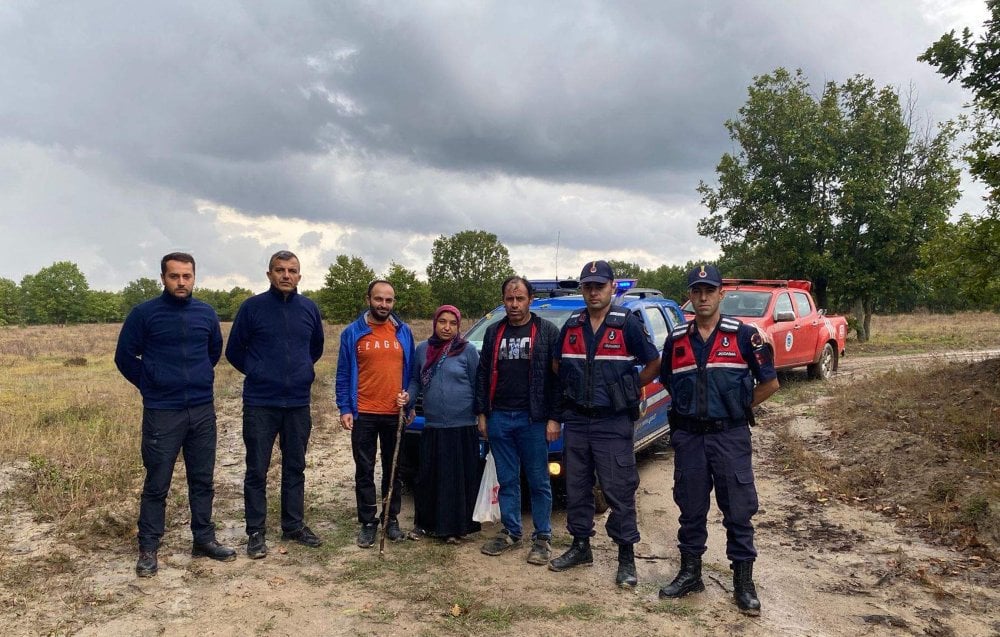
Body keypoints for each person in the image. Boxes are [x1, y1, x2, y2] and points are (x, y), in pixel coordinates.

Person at [657, 264, 779, 616]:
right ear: (690, 296)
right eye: (697, 291)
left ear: (721, 294)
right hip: (690, 438)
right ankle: (690, 574)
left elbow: (770, 383)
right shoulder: (677, 340)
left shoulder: (744, 336)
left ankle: (743, 582)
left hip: (730, 436)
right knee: (690, 508)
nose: (703, 297)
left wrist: (737, 407)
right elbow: (670, 381)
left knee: (738, 510)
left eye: (709, 290)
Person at [115, 252, 236, 577]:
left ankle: (204, 539)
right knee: (157, 482)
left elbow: (213, 351)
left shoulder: (205, 313)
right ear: (163, 278)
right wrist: (151, 383)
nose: (181, 282)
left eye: (187, 276)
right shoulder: (145, 314)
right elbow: (124, 356)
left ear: (194, 277)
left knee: (202, 479)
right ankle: (149, 548)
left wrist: (194, 379)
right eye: (174, 276)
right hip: (162, 412)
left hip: (200, 409)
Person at [548, 260, 660, 588]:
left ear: (612, 287)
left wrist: (628, 387)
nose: (594, 291)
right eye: (588, 286)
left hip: (613, 421)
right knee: (577, 487)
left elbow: (654, 362)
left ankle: (626, 555)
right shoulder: (572, 325)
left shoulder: (627, 324)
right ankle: (581, 546)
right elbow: (558, 364)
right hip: (578, 420)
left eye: (600, 285)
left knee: (618, 489)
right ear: (582, 289)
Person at [225, 250, 325, 559]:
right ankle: (255, 531)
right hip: (260, 403)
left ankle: (293, 525)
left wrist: (299, 372)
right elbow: (234, 351)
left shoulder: (309, 309)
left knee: (295, 466)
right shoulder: (252, 308)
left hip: (297, 403)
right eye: (279, 270)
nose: (285, 275)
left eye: (291, 270)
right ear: (269, 274)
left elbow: (315, 348)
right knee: (257, 468)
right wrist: (259, 371)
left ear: (299, 276)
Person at [475, 276, 561, 564]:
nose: (514, 304)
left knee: (539, 481)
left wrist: (553, 418)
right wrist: (482, 413)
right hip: (499, 417)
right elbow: (483, 374)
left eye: (520, 298)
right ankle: (511, 531)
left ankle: (543, 537)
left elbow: (556, 379)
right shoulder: (493, 332)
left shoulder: (546, 332)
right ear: (503, 300)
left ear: (530, 300)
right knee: (508, 479)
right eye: (509, 299)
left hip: (533, 419)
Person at [336, 280, 414, 548]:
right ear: (368, 298)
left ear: (394, 302)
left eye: (389, 300)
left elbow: (411, 373)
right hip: (364, 413)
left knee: (394, 469)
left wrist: (410, 403)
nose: (384, 305)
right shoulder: (352, 333)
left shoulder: (403, 332)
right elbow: (343, 373)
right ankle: (368, 522)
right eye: (379, 299)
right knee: (365, 469)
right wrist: (345, 407)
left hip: (395, 413)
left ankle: (390, 519)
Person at [399, 305, 481, 542]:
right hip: (434, 425)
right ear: (435, 323)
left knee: (456, 479)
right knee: (430, 477)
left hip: (462, 425)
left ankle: (454, 528)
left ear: (459, 326)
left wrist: (482, 416)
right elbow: (415, 380)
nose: (447, 327)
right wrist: (408, 400)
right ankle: (426, 525)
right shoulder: (423, 349)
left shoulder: (468, 351)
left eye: (452, 323)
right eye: (442, 322)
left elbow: (478, 386)